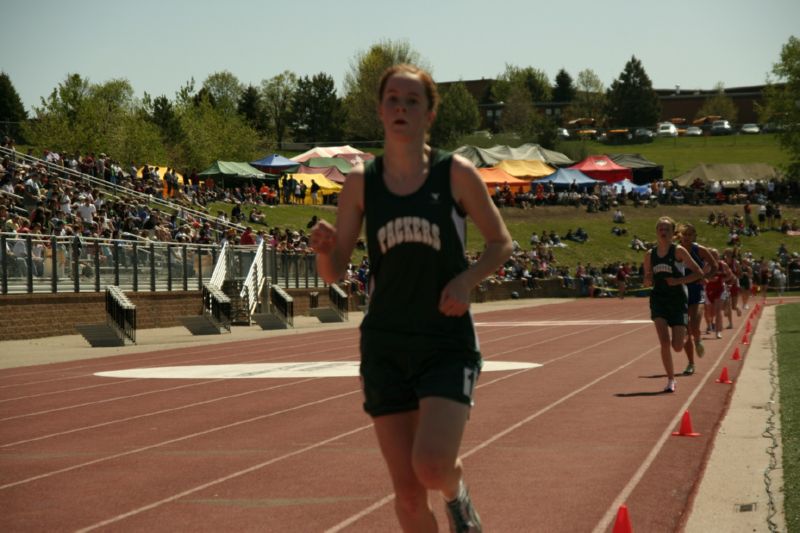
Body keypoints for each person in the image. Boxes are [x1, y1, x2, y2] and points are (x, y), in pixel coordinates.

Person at [311, 64, 511, 533]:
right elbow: (335, 269)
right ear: (380, 111)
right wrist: (323, 251)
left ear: (430, 112)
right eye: (392, 100)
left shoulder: (454, 174)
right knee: (405, 495)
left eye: (412, 101)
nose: (401, 108)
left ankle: (457, 496)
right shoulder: (362, 182)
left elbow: (501, 243)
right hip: (385, 345)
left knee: (434, 466)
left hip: (444, 341)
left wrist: (466, 281)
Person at [643, 216, 704, 393]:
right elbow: (647, 278)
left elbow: (698, 273)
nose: (663, 232)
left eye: (666, 229)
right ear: (656, 232)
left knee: (677, 347)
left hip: (677, 300)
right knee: (663, 342)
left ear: (672, 233)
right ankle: (671, 380)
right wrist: (647, 279)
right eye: (660, 229)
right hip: (659, 300)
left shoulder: (679, 251)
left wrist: (679, 281)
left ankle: (684, 334)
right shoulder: (649, 255)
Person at [677, 223, 717, 376]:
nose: (686, 237)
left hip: (696, 291)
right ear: (679, 236)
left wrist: (705, 277)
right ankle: (690, 363)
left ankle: (698, 338)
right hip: (680, 292)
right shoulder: (675, 250)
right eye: (683, 235)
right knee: (685, 329)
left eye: (689, 234)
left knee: (694, 325)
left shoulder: (699, 250)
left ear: (694, 236)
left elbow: (714, 266)